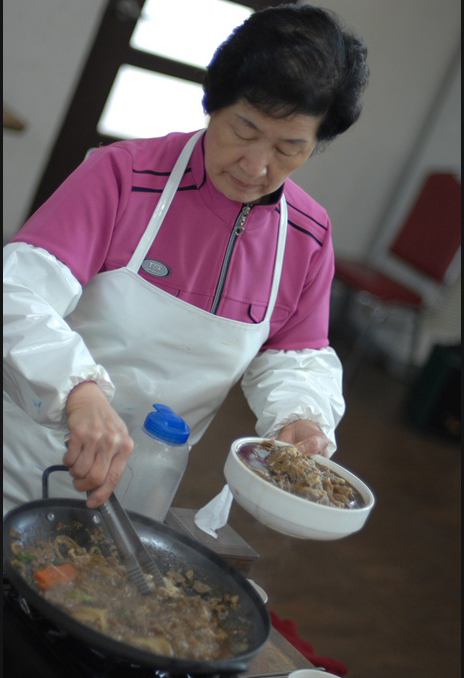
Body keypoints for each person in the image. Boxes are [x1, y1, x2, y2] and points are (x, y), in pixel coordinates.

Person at [3, 4, 369, 515]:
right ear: (213, 104)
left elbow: (293, 355)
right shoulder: (123, 176)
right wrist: (78, 392)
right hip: (25, 463)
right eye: (244, 130)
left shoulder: (306, 235)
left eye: (289, 149)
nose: (257, 165)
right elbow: (16, 293)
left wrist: (300, 418)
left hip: (143, 488)